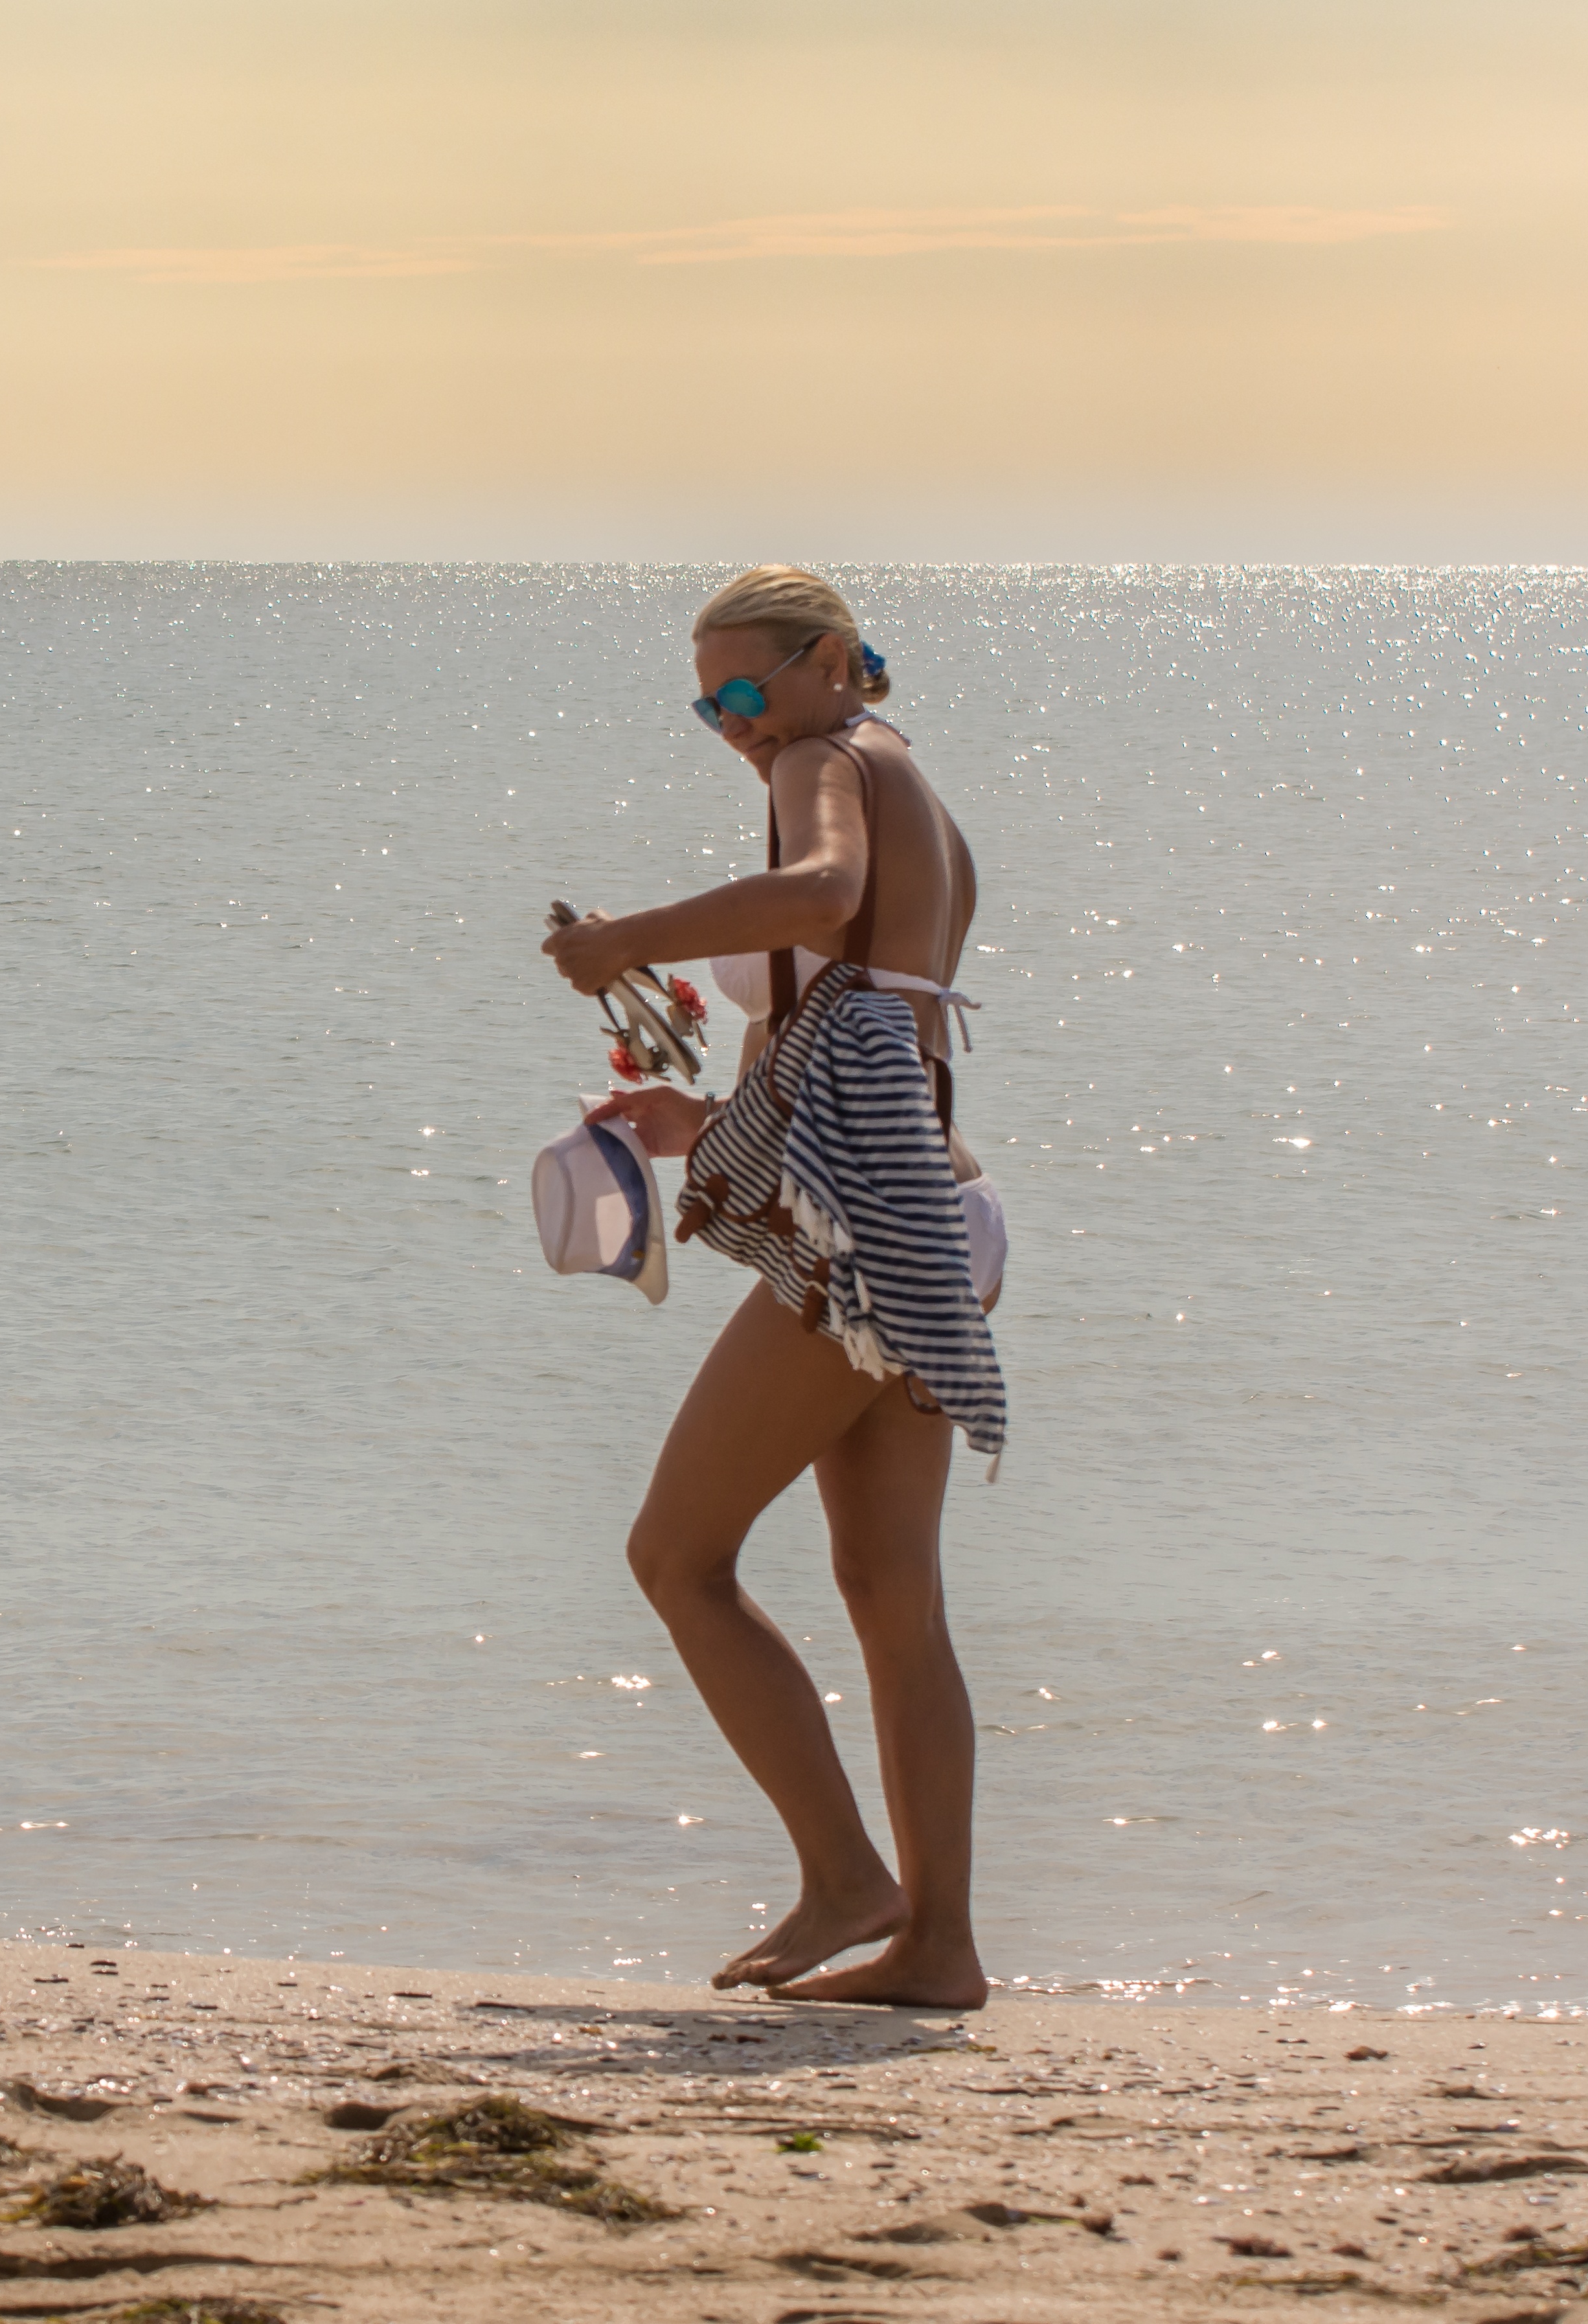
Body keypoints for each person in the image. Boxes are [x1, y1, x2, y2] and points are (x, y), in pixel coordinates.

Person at [539, 565, 1007, 2008]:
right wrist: (700, 1127)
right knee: (891, 1595)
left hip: (864, 1229)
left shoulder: (825, 759)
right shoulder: (906, 780)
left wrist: (626, 941)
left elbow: (820, 893)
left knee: (675, 1558)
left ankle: (845, 1878)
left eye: (745, 689)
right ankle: (937, 1949)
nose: (731, 724)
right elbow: (868, 1016)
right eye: (706, 703)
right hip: (937, 1213)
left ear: (832, 661)